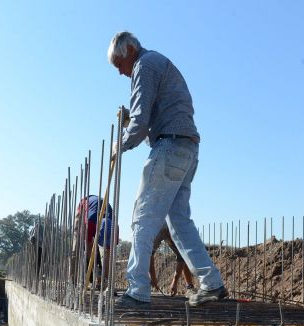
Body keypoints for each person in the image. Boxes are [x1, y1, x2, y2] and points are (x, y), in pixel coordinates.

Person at [107, 31, 227, 307]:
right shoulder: (159, 62)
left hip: (169, 147)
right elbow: (151, 115)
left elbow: (138, 125)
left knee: (142, 217)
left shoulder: (143, 65)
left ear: (129, 52)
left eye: (118, 65)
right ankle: (211, 283)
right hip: (188, 149)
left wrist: (120, 144)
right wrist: (134, 121)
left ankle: (137, 291)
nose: (120, 73)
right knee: (178, 221)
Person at [73, 195, 118, 288]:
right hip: (86, 204)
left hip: (99, 214)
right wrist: (94, 269)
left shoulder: (114, 227)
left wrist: (105, 279)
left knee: (105, 253)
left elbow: (108, 254)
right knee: (77, 247)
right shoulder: (89, 224)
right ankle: (73, 280)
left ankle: (104, 282)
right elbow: (89, 248)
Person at [150, 222, 195, 296]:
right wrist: (153, 277)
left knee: (185, 256)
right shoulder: (157, 231)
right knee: (143, 253)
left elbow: (182, 257)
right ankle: (139, 286)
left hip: (174, 230)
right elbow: (149, 254)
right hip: (160, 226)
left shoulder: (182, 232)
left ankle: (190, 287)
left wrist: (174, 282)